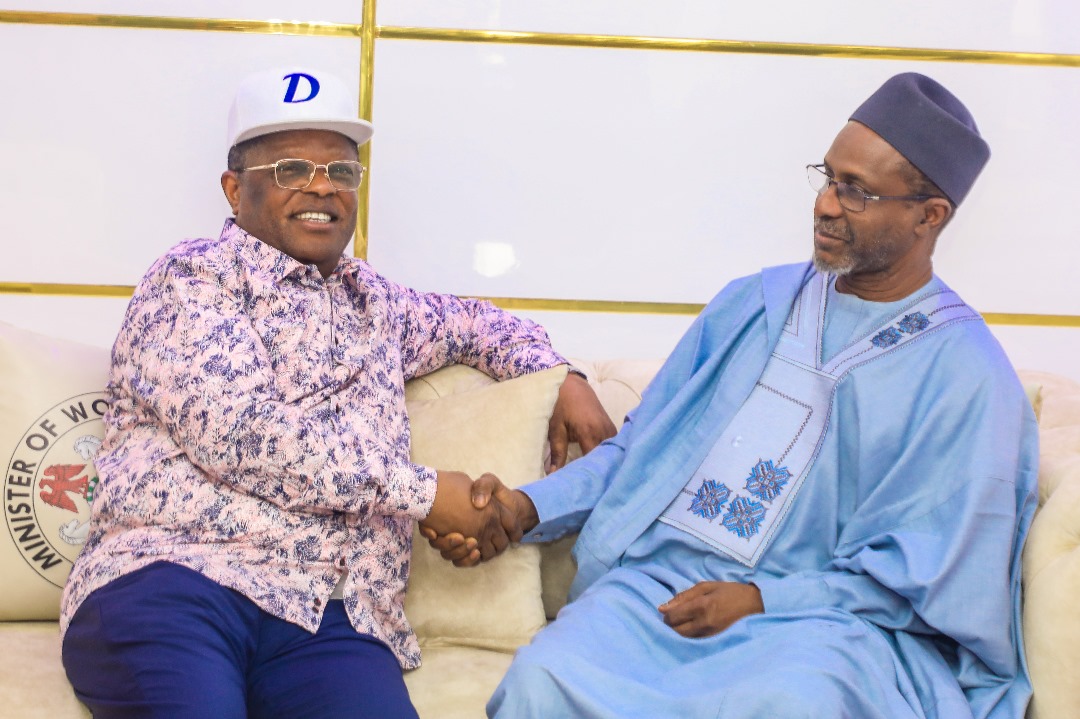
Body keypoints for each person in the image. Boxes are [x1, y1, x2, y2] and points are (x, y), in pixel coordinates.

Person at [426, 73, 1038, 718]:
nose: (826, 205)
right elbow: (639, 452)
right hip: (657, 593)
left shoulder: (967, 377)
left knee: (800, 704)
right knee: (543, 678)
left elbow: (937, 576)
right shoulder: (753, 304)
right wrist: (524, 508)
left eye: (856, 191)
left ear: (928, 215)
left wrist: (763, 600)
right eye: (828, 177)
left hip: (822, 626)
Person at [58, 66, 616, 719]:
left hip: (332, 613)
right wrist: (431, 494)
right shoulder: (191, 280)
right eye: (293, 168)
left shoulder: (375, 303)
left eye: (341, 171)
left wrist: (565, 374)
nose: (323, 186)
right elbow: (246, 435)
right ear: (236, 189)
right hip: (175, 579)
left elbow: (478, 324)